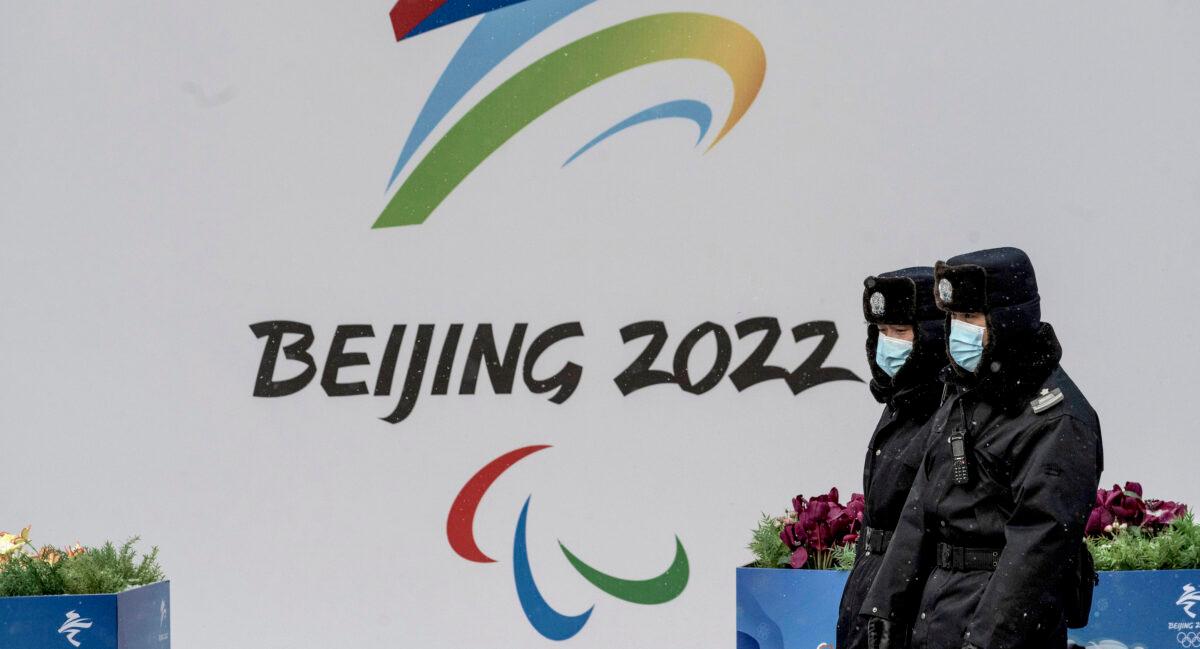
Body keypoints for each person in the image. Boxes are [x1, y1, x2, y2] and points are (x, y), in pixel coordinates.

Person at [860, 247, 1104, 649]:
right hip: (938, 616)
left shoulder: (1057, 418)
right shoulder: (966, 396)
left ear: (1009, 319)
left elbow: (1038, 546)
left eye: (971, 317)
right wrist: (884, 611)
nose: (959, 331)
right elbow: (919, 512)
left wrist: (985, 640)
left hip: (1002, 630)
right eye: (954, 317)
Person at [836, 267, 946, 649]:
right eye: (882, 331)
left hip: (908, 613)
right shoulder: (899, 403)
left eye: (901, 331)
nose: (888, 343)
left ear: (932, 335)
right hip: (868, 599)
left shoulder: (947, 413)